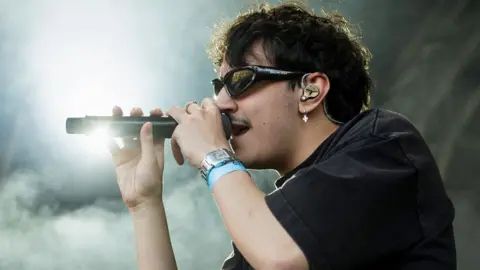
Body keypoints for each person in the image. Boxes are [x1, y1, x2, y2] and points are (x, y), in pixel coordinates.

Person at [108, 2, 456, 270]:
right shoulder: (265, 227)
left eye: (241, 81)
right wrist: (145, 204)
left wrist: (214, 155)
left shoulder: (385, 147)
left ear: (309, 90)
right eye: (219, 87)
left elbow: (281, 260)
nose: (221, 103)